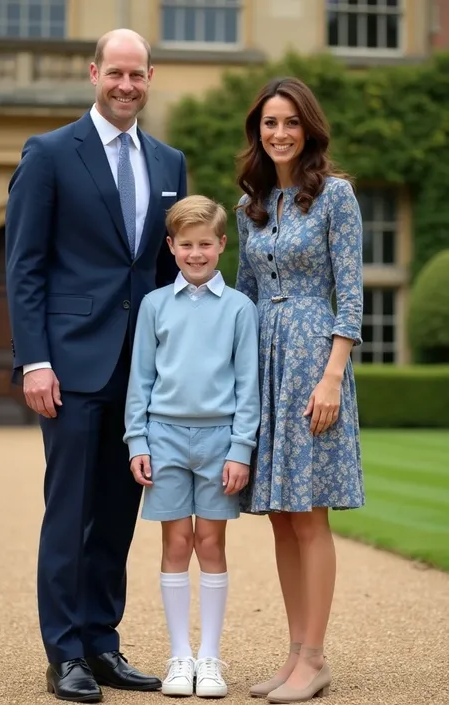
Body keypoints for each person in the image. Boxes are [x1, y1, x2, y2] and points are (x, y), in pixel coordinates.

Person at [5, 28, 187, 703]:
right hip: (73, 362)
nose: (126, 86)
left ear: (149, 78)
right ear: (94, 73)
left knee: (116, 510)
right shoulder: (51, 153)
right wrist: (35, 360)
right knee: (70, 510)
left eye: (137, 75)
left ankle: (103, 642)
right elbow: (24, 266)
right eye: (115, 73)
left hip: (144, 371)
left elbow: (170, 272)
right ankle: (66, 653)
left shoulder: (170, 162)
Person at [235, 77, 364, 703]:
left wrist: (333, 375)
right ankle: (293, 657)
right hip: (264, 362)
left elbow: (351, 292)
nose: (279, 133)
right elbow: (245, 297)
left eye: (289, 122)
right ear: (257, 132)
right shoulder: (250, 204)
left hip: (315, 360)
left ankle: (315, 659)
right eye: (268, 123)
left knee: (310, 516)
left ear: (308, 127)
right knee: (281, 519)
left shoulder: (335, 195)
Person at [123, 195, 260, 699]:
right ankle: (179, 656)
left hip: (221, 441)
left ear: (222, 244)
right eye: (186, 244)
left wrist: (241, 450)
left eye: (206, 243)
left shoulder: (241, 309)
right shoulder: (156, 305)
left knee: (212, 544)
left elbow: (249, 387)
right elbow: (141, 380)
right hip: (164, 440)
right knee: (176, 543)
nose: (196, 253)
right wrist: (138, 439)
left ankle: (211, 658)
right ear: (171, 247)